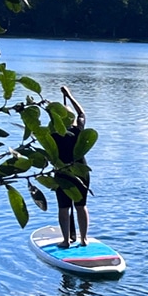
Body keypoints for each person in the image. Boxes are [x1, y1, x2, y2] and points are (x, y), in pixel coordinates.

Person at [53, 85, 90, 248]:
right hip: (81, 171)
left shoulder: (54, 134)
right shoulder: (79, 129)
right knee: (81, 206)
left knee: (64, 208)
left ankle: (66, 240)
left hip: (63, 172)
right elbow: (81, 113)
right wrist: (69, 95)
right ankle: (83, 239)